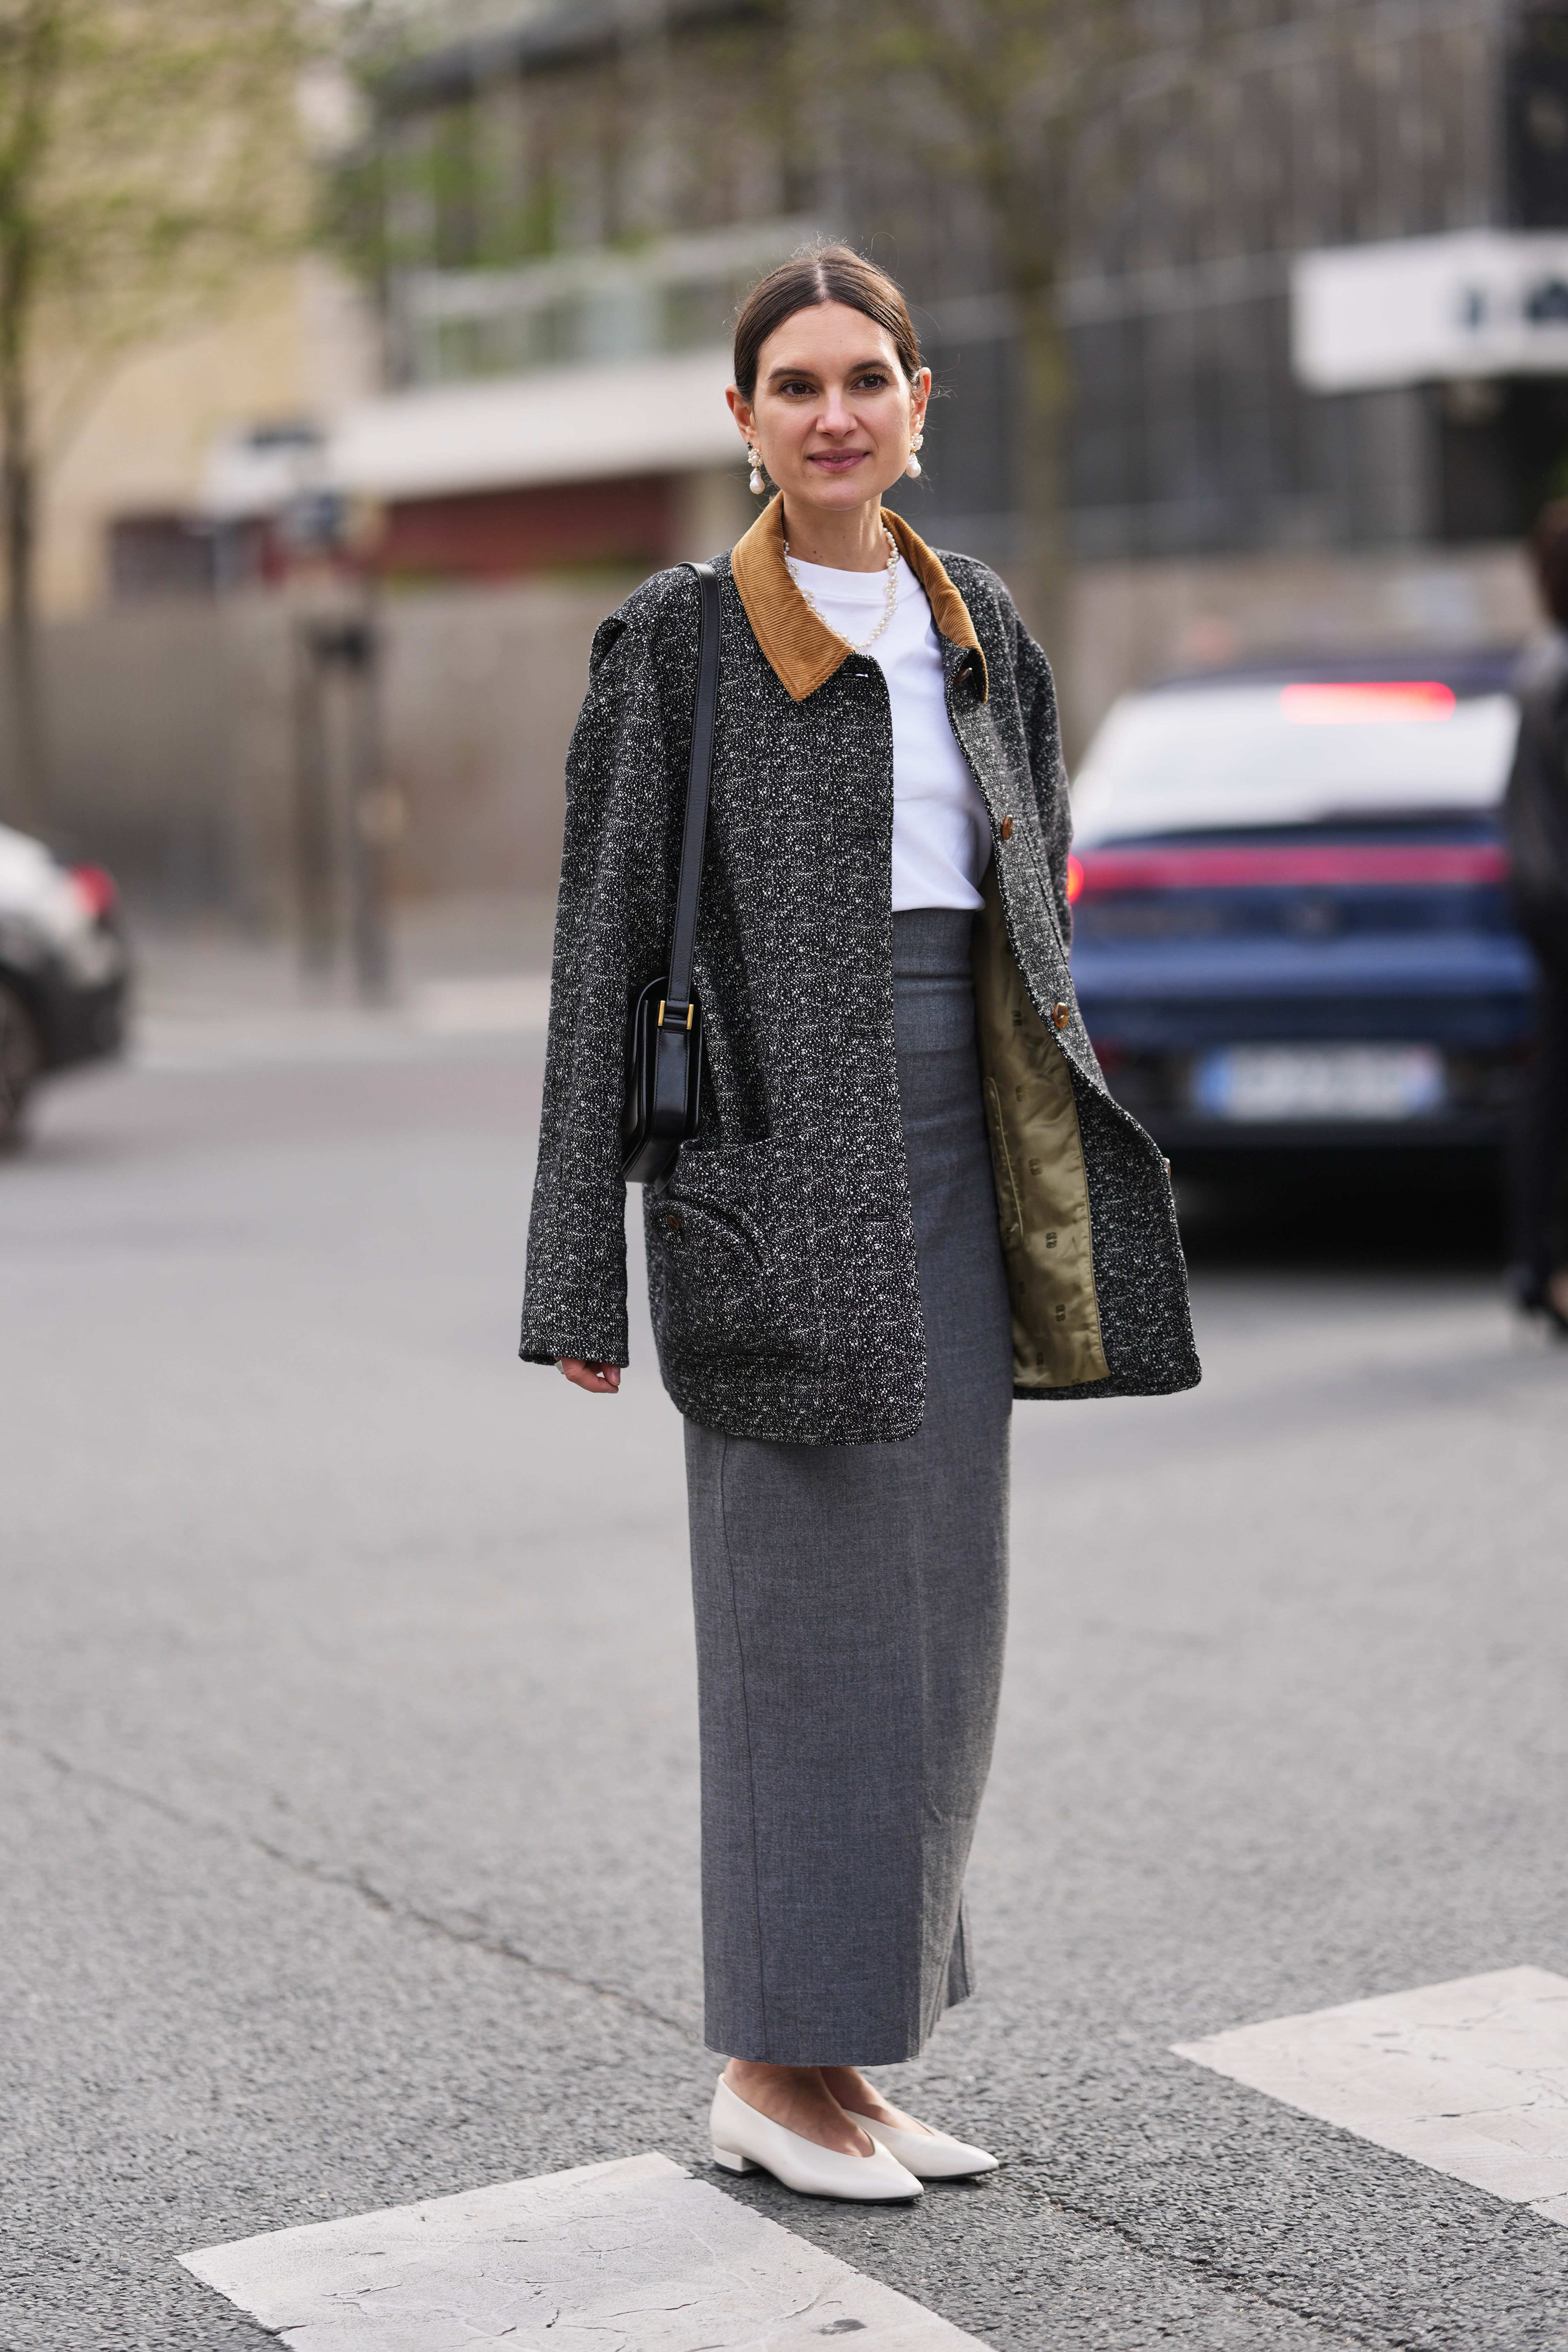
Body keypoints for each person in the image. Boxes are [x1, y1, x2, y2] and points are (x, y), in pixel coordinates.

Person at [519, 243, 1199, 2203]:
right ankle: (766, 2060)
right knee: (803, 1626)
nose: (834, 412)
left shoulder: (975, 614)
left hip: (961, 1140)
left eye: (867, 378)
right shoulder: (676, 638)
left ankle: (852, 2053)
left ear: (921, 403)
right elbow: (597, 959)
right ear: (740, 423)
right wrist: (581, 1260)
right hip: (769, 1170)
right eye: (793, 382)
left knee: (937, 1622)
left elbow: (1033, 893)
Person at [1506, 503, 1568, 1338]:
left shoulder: (1541, 665)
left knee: (1550, 1088)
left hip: (1546, 902)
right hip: (1561, 901)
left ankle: (1538, 1266)